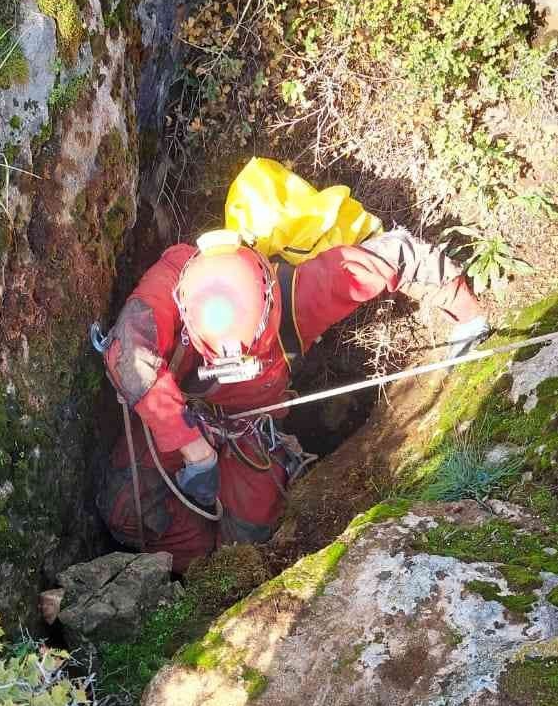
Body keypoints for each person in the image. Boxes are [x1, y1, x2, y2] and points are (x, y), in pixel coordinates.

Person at [96, 226, 489, 572]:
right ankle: (190, 571)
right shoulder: (174, 279)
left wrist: (469, 319)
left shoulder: (299, 297)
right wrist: (192, 449)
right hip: (179, 419)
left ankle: (211, 575)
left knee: (248, 549)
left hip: (249, 435)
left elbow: (396, 255)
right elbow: (128, 351)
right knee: (125, 511)